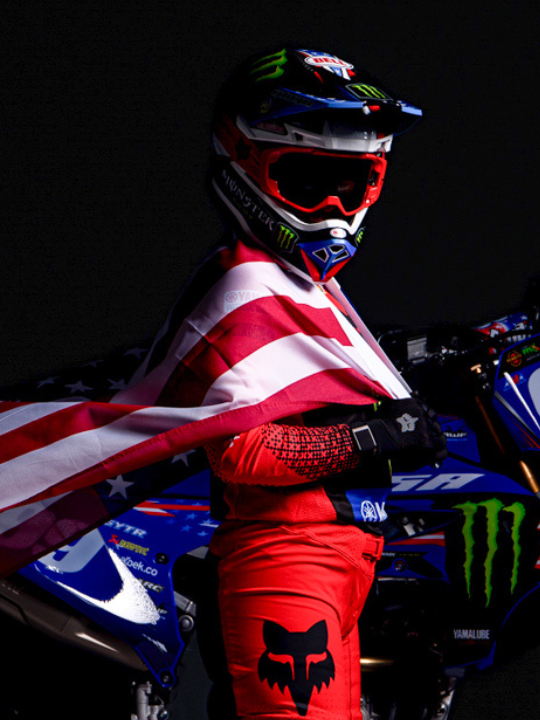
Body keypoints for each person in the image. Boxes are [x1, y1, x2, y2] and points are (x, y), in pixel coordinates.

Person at [198, 47, 447, 720]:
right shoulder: (247, 287)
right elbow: (239, 450)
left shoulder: (308, 287)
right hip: (288, 560)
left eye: (351, 181)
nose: (334, 206)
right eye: (307, 178)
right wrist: (373, 435)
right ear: (245, 161)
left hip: (340, 560)